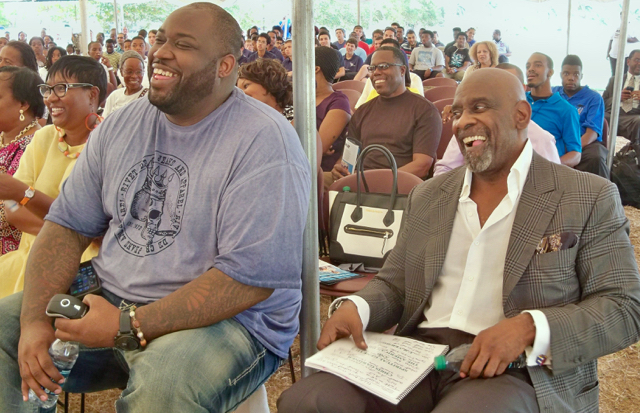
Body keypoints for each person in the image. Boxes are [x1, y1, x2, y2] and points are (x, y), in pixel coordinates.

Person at [0, 4, 310, 413]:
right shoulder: (121, 123)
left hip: (233, 321)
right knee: (6, 331)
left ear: (225, 65)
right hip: (112, 292)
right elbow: (66, 226)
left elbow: (248, 279)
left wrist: (128, 325)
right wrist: (36, 321)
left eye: (182, 45)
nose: (160, 51)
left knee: (163, 390)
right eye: (161, 38)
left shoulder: (265, 141)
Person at [278, 67, 640, 413]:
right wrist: (359, 308)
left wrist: (529, 327)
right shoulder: (429, 196)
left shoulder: (586, 195)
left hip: (517, 368)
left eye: (479, 108)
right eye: (457, 111)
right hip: (420, 356)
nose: (463, 121)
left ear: (520, 115)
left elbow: (625, 307)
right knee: (308, 402)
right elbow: (395, 283)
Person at [0, 55, 105, 298]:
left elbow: (96, 232)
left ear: (92, 95)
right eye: (47, 89)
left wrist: (24, 193)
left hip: (76, 269)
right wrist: (69, 230)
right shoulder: (45, 137)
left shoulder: (106, 145)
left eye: (62, 88)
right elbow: (13, 211)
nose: (50, 97)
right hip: (28, 257)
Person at [333, 46, 441, 181]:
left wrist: (376, 181)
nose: (376, 72)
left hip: (401, 186)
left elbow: (421, 166)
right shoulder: (362, 111)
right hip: (360, 183)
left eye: (383, 66)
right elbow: (348, 158)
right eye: (372, 68)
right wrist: (340, 169)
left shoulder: (425, 110)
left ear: (402, 70)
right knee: (313, 181)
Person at [435, 63, 561, 176]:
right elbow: (445, 169)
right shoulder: (471, 130)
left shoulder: (541, 140)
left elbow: (554, 187)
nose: (462, 121)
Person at [0, 67, 45, 257]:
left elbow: (11, 209)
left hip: (16, 252)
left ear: (23, 104)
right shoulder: (4, 137)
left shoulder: (35, 144)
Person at [552, 55, 608, 179]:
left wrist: (571, 148)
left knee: (596, 158)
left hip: (584, 143)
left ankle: (601, 194)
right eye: (566, 73)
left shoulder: (593, 97)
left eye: (576, 74)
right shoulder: (552, 93)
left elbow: (591, 134)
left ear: (581, 76)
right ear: (561, 74)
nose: (571, 78)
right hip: (556, 140)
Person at [526, 52, 581, 167]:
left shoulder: (566, 110)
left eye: (537, 65)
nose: (530, 69)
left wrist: (550, 167)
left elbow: (575, 154)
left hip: (543, 173)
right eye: (528, 66)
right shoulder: (519, 100)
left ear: (550, 72)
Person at [315, 46, 351, 174]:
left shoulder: (338, 102)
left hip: (322, 172)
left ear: (315, 69)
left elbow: (316, 150)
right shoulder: (302, 99)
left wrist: (319, 148)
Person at [238, 58, 294, 123]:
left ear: (267, 82)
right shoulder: (251, 118)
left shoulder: (296, 119)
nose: (240, 93)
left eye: (246, 86)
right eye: (239, 89)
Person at [603, 49, 640, 147]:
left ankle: (633, 153)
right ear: (628, 61)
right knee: (600, 117)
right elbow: (603, 102)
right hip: (613, 115)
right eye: (637, 60)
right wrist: (617, 97)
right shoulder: (615, 80)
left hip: (633, 118)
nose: (639, 63)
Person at [103, 51, 148, 118]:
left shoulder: (149, 97)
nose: (134, 76)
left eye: (139, 72)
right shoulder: (114, 96)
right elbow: (104, 122)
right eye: (129, 72)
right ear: (121, 72)